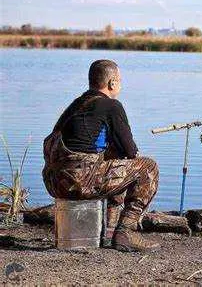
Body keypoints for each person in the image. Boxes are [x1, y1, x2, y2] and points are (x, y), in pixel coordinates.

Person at [42, 59, 159, 252]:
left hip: (54, 183)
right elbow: (130, 151)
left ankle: (110, 230)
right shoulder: (112, 106)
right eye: (120, 80)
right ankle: (126, 231)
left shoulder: (75, 105)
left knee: (117, 161)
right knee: (147, 167)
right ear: (112, 83)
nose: (121, 85)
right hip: (80, 182)